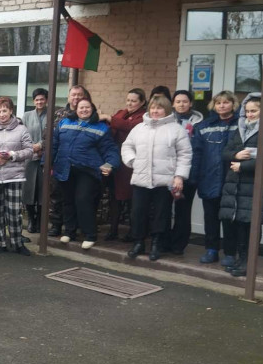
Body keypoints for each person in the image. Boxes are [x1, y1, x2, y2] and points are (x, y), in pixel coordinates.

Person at [121, 96, 192, 260]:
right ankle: (138, 243)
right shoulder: (139, 128)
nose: (155, 111)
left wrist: (179, 176)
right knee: (138, 212)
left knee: (161, 214)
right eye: (152, 108)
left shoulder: (176, 130)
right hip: (141, 178)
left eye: (159, 108)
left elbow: (185, 154)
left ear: (166, 110)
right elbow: (127, 146)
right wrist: (133, 161)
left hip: (165, 180)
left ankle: (156, 244)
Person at [52, 97, 120, 250]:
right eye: (81, 107)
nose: (84, 110)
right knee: (68, 200)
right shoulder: (64, 123)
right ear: (76, 110)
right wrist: (47, 162)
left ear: (93, 110)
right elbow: (54, 144)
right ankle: (69, 232)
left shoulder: (101, 127)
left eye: (87, 107)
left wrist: (110, 164)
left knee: (83, 200)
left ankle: (90, 235)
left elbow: (110, 149)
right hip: (65, 168)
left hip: (88, 170)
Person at [219, 93, 263, 277]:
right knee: (239, 223)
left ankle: (248, 263)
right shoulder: (240, 130)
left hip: (255, 185)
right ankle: (241, 259)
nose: (250, 115)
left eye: (254, 111)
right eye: (247, 111)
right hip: (236, 185)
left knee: (251, 225)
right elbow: (225, 152)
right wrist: (236, 155)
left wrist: (243, 165)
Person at [0, 97, 34, 255]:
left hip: (14, 176)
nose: (2, 114)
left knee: (14, 212)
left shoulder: (21, 129)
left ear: (11, 111)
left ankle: (17, 243)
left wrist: (12, 155)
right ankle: (0, 242)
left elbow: (29, 150)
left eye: (5, 110)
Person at [190, 90, 239, 266]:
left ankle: (230, 253)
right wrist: (193, 177)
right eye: (218, 103)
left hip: (232, 179)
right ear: (213, 105)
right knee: (210, 217)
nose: (222, 106)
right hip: (209, 178)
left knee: (229, 218)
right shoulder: (203, 126)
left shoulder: (241, 125)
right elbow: (196, 153)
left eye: (226, 102)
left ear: (233, 104)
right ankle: (211, 250)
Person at [103, 88, 147, 241]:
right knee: (114, 197)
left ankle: (133, 232)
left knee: (130, 199)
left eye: (133, 101)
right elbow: (111, 127)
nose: (129, 103)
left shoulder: (143, 116)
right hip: (115, 160)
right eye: (128, 100)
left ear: (142, 102)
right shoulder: (121, 113)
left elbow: (128, 126)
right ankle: (113, 229)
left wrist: (108, 117)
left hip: (130, 163)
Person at [47, 85, 91, 236]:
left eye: (79, 95)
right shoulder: (58, 114)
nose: (76, 97)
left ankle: (73, 227)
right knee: (56, 195)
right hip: (60, 162)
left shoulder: (89, 113)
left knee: (77, 197)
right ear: (68, 97)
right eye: (73, 94)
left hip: (80, 164)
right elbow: (49, 136)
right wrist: (49, 161)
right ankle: (56, 225)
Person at [168, 90, 204, 255]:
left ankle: (179, 244)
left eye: (184, 101)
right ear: (173, 104)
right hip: (167, 172)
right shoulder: (167, 121)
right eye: (178, 101)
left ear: (191, 103)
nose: (181, 104)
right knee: (164, 209)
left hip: (188, 173)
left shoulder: (199, 124)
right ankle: (164, 241)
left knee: (183, 210)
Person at [21, 89, 48, 234]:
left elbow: (52, 134)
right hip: (30, 157)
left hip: (45, 158)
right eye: (37, 99)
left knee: (42, 191)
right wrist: (31, 147)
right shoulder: (27, 115)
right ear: (33, 101)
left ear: (46, 100)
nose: (39, 102)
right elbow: (22, 134)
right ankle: (31, 218)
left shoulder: (52, 115)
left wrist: (41, 145)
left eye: (42, 99)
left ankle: (40, 220)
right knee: (29, 190)